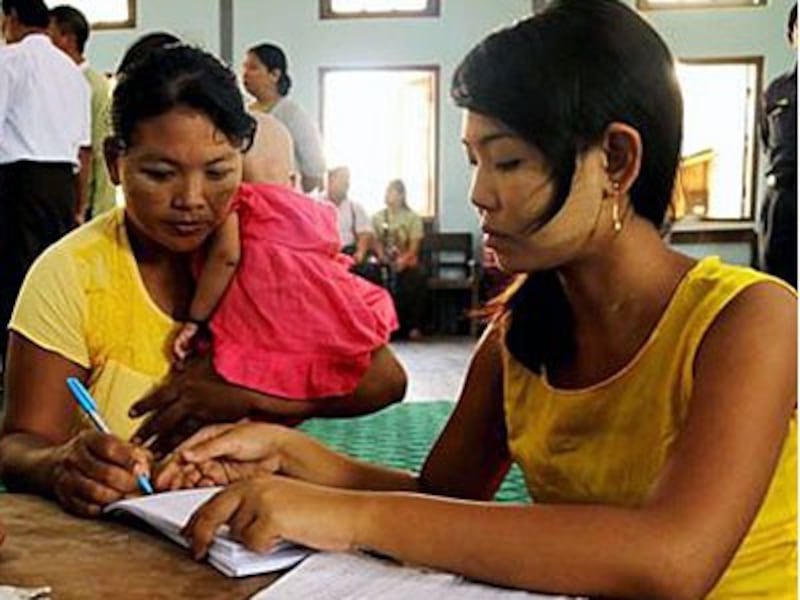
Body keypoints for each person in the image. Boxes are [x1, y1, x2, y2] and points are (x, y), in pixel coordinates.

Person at [165, 2, 795, 597]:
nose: (480, 194)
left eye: (509, 162)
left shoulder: (750, 320)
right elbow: (445, 496)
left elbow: (674, 558)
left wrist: (350, 515)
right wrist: (287, 454)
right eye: (474, 161)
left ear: (618, 160)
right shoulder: (522, 334)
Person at [0, 44, 407, 517]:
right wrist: (59, 464)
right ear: (114, 162)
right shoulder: (72, 272)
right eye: (160, 173)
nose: (192, 200)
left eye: (218, 172)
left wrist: (240, 393)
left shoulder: (271, 260)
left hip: (255, 526)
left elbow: (381, 378)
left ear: (242, 157)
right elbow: (18, 444)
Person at [169, 180, 398, 408]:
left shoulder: (233, 194)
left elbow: (226, 257)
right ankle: (276, 406)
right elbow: (311, 178)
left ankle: (269, 405)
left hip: (263, 240)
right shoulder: (278, 152)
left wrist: (195, 319)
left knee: (261, 354)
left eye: (215, 170)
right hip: (298, 223)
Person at [0, 0, 90, 361]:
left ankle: (13, 367)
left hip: (18, 182)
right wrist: (80, 205)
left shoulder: (10, 60)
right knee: (53, 276)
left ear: (11, 18)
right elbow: (85, 149)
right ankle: (52, 359)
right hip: (62, 186)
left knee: (13, 279)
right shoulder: (72, 71)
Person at [48, 5, 116, 220]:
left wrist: (97, 211)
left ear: (67, 38)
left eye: (48, 35)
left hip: (85, 205)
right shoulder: (49, 83)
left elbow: (100, 150)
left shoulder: (94, 85)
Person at [243, 43, 326, 193]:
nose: (245, 73)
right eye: (245, 67)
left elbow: (314, 170)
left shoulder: (292, 114)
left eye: (253, 68)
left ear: (275, 74)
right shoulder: (243, 113)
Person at [759, 3, 797, 288]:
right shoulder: (777, 89)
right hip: (783, 196)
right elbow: (767, 141)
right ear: (792, 36)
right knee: (777, 276)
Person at [372, 179, 426, 340]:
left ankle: (413, 326)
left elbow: (414, 247)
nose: (388, 195)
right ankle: (383, 325)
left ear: (401, 196)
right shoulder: (377, 217)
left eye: (392, 191)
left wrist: (403, 260)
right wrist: (382, 257)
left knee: (415, 276)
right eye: (387, 191)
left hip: (405, 260)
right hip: (384, 261)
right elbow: (375, 242)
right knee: (375, 276)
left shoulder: (412, 218)